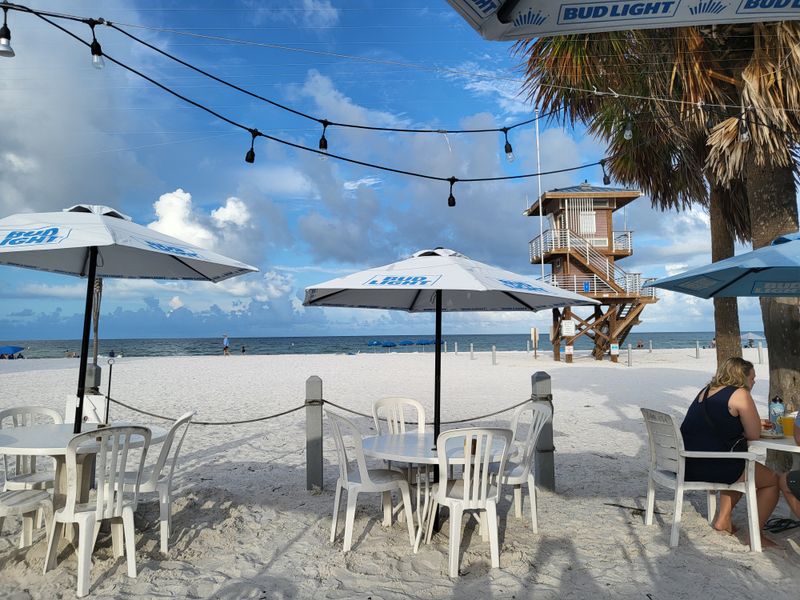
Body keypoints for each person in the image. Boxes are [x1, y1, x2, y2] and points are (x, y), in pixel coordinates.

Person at [680, 357, 795, 548]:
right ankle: (755, 536)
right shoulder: (740, 394)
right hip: (714, 465)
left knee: (742, 468)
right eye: (752, 377)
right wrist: (755, 426)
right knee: (772, 481)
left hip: (689, 463)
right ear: (742, 377)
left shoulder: (705, 391)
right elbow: (753, 434)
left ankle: (723, 520)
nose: (754, 381)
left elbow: (719, 424)